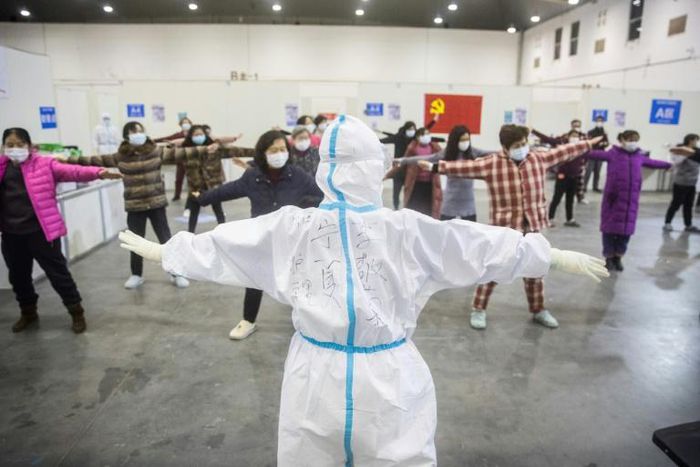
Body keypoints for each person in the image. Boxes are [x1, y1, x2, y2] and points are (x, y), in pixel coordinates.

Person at [120, 115, 608, 466]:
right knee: (372, 452)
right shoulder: (394, 229)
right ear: (375, 166)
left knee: (337, 450)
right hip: (379, 371)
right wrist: (547, 255)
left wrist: (171, 253)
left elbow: (229, 246)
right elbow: (475, 246)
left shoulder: (328, 227)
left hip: (323, 372)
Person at [420, 124, 602, 330]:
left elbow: (564, 151)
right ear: (505, 148)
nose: (522, 148)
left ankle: (538, 309)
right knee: (493, 269)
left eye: (524, 143)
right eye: (517, 145)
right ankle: (478, 309)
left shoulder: (538, 159)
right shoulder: (492, 164)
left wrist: (588, 143)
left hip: (532, 226)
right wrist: (435, 167)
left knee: (536, 268)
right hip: (504, 229)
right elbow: (463, 168)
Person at [191, 130, 323, 340]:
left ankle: (308, 321)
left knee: (300, 280)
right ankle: (248, 321)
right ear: (263, 153)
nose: (279, 154)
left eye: (282, 149)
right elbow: (229, 190)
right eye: (273, 150)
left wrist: (308, 209)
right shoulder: (253, 176)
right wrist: (203, 198)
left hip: (291, 240)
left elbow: (321, 193)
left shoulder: (297, 175)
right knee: (253, 280)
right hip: (261, 239)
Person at [62, 121, 218, 289]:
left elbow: (182, 153)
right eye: (135, 131)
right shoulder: (120, 156)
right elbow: (94, 160)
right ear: (127, 136)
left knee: (165, 240)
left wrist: (204, 149)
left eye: (141, 131)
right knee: (135, 241)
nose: (139, 134)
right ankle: (136, 274)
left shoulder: (156, 151)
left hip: (156, 203)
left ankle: (176, 273)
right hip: (135, 205)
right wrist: (67, 159)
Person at [1, 128, 121, 333]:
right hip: (11, 234)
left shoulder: (43, 164)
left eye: (20, 144)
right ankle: (28, 313)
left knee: (58, 274)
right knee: (19, 277)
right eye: (10, 145)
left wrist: (99, 172)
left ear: (29, 146)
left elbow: (73, 171)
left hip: (41, 232)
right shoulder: (2, 168)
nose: (15, 149)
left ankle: (76, 312)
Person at [585, 130, 672, 271]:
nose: (633, 142)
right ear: (622, 140)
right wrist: (576, 148)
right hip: (612, 201)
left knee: (625, 232)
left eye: (636, 139)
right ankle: (608, 258)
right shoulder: (613, 154)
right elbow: (590, 154)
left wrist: (669, 165)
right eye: (630, 139)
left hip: (630, 202)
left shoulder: (639, 156)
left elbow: (653, 162)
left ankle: (618, 257)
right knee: (608, 231)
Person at [389, 124, 494, 221]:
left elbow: (490, 153)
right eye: (462, 140)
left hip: (468, 203)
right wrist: (403, 160)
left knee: (470, 234)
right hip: (450, 201)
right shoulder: (447, 153)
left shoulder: (472, 152)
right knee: (444, 232)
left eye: (467, 139)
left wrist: (506, 153)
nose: (465, 142)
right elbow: (426, 158)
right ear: (455, 140)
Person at [180, 125, 255, 233]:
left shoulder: (215, 149)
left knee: (218, 210)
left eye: (201, 134)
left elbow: (237, 151)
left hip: (213, 186)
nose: (198, 137)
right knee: (194, 212)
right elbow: (171, 152)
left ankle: (223, 232)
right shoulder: (186, 152)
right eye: (196, 135)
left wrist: (258, 151)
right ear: (190, 137)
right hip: (196, 188)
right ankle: (190, 234)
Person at [380, 116, 438, 210]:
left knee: (408, 191)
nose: (412, 131)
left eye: (414, 129)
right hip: (398, 169)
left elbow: (425, 131)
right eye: (410, 129)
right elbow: (383, 140)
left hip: (408, 171)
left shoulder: (414, 140)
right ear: (405, 129)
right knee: (396, 191)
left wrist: (434, 121)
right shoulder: (397, 137)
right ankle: (396, 208)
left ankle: (406, 209)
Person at [548, 130, 589, 227]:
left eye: (577, 136)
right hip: (563, 177)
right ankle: (550, 218)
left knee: (570, 199)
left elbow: (589, 154)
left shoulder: (580, 149)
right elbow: (549, 139)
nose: (575, 137)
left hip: (574, 177)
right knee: (557, 198)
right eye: (573, 136)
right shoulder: (564, 148)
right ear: (568, 137)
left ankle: (569, 219)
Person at [402, 127, 443, 218]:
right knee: (414, 209)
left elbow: (443, 158)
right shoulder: (412, 148)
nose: (426, 136)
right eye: (423, 134)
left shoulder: (435, 147)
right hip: (416, 184)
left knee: (429, 209)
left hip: (430, 184)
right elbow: (404, 162)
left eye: (428, 134)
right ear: (417, 137)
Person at [664, 134, 700, 233]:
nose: (696, 142)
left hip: (692, 183)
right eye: (695, 140)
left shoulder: (697, 151)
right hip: (680, 182)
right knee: (676, 203)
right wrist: (685, 155)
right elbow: (676, 162)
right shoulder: (680, 150)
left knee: (688, 205)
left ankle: (688, 225)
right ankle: (667, 223)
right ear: (689, 140)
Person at [155, 117, 193, 202]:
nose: (185, 124)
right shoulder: (178, 135)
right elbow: (165, 138)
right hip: (181, 160)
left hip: (192, 160)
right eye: (184, 123)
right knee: (179, 179)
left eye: (187, 122)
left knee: (193, 180)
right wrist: (153, 140)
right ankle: (177, 195)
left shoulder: (193, 135)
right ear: (181, 125)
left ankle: (196, 195)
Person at [584, 116, 609, 193]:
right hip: (592, 154)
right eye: (598, 121)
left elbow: (607, 143)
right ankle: (584, 187)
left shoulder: (604, 132)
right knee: (588, 171)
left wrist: (604, 143)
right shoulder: (591, 132)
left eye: (601, 121)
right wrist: (598, 143)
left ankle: (595, 187)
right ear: (595, 122)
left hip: (601, 154)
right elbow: (589, 142)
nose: (599, 122)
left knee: (597, 172)